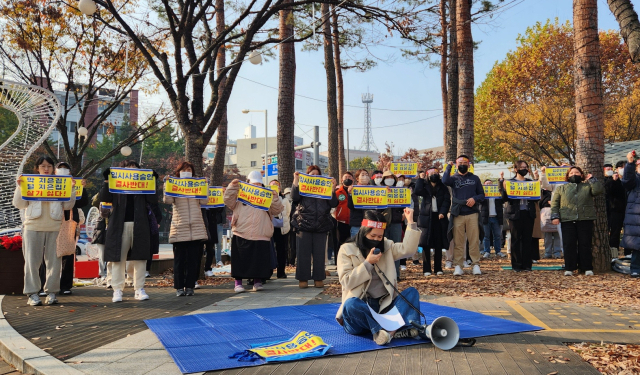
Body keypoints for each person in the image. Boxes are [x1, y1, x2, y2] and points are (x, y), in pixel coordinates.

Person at [336, 209, 421, 345]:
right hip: (361, 308)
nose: (376, 240)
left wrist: (410, 222)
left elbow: (408, 250)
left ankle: (387, 332)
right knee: (350, 304)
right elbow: (347, 282)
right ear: (364, 232)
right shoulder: (347, 249)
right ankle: (390, 330)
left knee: (411, 293)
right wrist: (367, 263)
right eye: (372, 236)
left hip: (383, 307)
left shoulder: (387, 246)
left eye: (379, 237)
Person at [13, 156, 76, 306]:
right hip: (32, 226)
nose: (46, 169)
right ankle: (32, 293)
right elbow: (19, 204)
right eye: (42, 166)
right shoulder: (29, 182)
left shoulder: (60, 183)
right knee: (31, 262)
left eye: (49, 166)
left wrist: (72, 189)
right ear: (37, 168)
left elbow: (68, 206)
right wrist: (20, 187)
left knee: (54, 262)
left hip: (54, 227)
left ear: (53, 168)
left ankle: (52, 292)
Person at [100, 160, 158, 303]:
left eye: (135, 169)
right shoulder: (116, 186)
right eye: (129, 169)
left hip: (140, 225)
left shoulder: (143, 187)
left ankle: (139, 289)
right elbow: (104, 198)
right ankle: (118, 290)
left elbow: (153, 200)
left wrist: (153, 181)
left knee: (140, 258)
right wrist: (107, 181)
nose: (132, 172)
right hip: (119, 225)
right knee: (118, 259)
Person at [224, 171, 284, 292]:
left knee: (259, 260)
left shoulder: (267, 195)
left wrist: (274, 197)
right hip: (241, 230)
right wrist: (232, 187)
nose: (257, 186)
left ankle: (257, 282)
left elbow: (277, 210)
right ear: (248, 183)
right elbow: (227, 201)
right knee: (240, 259)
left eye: (259, 184)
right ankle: (238, 283)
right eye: (254, 183)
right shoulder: (241, 193)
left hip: (261, 232)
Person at [164, 162, 209, 297]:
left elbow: (205, 201)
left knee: (193, 261)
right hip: (179, 227)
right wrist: (167, 184)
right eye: (184, 169)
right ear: (178, 172)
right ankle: (179, 287)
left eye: (189, 169)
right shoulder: (174, 184)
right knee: (179, 261)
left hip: (195, 227)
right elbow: (167, 200)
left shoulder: (197, 185)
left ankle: (190, 286)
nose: (187, 171)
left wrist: (205, 185)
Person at [291, 166, 339, 288]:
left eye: (317, 174)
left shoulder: (325, 188)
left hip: (322, 224)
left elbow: (334, 203)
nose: (315, 176)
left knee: (319, 254)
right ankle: (303, 279)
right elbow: (295, 197)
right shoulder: (302, 187)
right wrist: (296, 181)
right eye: (312, 174)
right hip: (303, 224)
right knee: (303, 253)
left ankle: (319, 278)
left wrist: (333, 188)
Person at [551, 166, 604, 276]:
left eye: (577, 172)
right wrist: (555, 216)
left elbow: (598, 190)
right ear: (568, 175)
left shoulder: (587, 186)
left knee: (585, 244)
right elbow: (555, 203)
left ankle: (587, 267)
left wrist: (592, 180)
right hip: (567, 219)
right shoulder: (561, 188)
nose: (574, 174)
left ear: (581, 175)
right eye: (571, 173)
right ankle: (569, 267)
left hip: (585, 218)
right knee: (568, 244)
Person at [442, 155, 484, 276]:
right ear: (456, 164)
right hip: (458, 213)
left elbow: (482, 195)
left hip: (472, 213)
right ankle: (458, 266)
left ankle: (475, 264)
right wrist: (449, 167)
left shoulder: (475, 178)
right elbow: (444, 180)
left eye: (464, 162)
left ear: (469, 164)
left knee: (474, 240)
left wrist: (474, 199)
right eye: (460, 162)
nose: (462, 164)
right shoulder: (453, 178)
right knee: (458, 241)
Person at [55, 162, 89, 295]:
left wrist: (82, 188)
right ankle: (48, 284)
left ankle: (65, 286)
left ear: (69, 172)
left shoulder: (75, 184)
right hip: (53, 222)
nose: (63, 171)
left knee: (68, 255)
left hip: (70, 223)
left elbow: (82, 202)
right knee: (50, 256)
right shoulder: (49, 183)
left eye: (65, 169)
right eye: (60, 169)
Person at [499, 161, 538, 272]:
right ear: (516, 169)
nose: (524, 169)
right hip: (514, 214)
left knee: (527, 239)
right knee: (515, 239)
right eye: (521, 167)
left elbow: (536, 198)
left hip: (528, 213)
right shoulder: (510, 182)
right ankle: (516, 265)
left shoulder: (531, 182)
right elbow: (503, 199)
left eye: (526, 167)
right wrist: (503, 186)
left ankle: (527, 265)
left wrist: (536, 182)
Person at [414, 167, 450, 276]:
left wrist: (443, 212)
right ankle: (426, 269)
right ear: (428, 176)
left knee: (438, 244)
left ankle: (438, 268)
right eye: (431, 173)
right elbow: (417, 191)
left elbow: (446, 200)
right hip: (426, 218)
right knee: (426, 244)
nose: (434, 175)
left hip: (439, 218)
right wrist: (420, 179)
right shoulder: (425, 186)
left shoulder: (443, 187)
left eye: (436, 173)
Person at [622, 153, 640, 277]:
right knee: (637, 247)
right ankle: (635, 269)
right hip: (636, 217)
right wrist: (630, 163)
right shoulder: (635, 180)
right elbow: (627, 179)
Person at [269, 179, 291, 279]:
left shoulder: (285, 200)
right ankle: (268, 271)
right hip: (269, 226)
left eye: (276, 185)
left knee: (282, 250)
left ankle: (281, 272)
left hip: (282, 227)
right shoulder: (266, 198)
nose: (274, 187)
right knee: (269, 249)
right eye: (272, 185)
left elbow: (288, 212)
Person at [605, 161, 627, 256]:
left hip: (626, 210)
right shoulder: (611, 180)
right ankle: (613, 253)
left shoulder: (631, 179)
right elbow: (609, 192)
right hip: (614, 210)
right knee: (614, 232)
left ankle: (628, 252)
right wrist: (614, 181)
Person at [480, 179, 505, 258]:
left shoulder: (497, 194)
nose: (489, 185)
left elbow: (503, 199)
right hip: (486, 218)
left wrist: (501, 181)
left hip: (496, 218)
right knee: (486, 236)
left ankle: (498, 251)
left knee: (497, 235)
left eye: (490, 183)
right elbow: (479, 201)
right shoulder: (482, 194)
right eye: (487, 184)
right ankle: (487, 251)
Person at [347, 169, 372, 237]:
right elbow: (350, 206)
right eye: (363, 175)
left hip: (370, 224)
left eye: (367, 175)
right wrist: (350, 194)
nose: (365, 177)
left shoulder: (374, 190)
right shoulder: (353, 189)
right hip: (357, 224)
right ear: (357, 178)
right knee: (355, 245)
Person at [334, 172, 353, 254]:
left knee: (352, 244)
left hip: (353, 221)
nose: (347, 178)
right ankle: (338, 262)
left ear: (353, 179)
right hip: (341, 222)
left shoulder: (357, 191)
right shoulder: (338, 193)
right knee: (341, 243)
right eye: (345, 177)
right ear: (342, 180)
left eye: (349, 177)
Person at [204, 206, 226, 276]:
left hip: (213, 222)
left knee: (210, 247)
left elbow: (220, 208)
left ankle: (207, 268)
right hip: (200, 221)